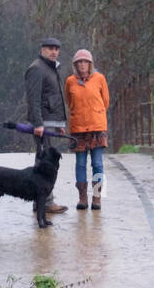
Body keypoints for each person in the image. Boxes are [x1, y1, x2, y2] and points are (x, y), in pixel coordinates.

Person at [24, 37, 68, 214]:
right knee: (45, 163)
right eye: (50, 48)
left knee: (45, 161)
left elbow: (54, 98)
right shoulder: (36, 68)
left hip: (50, 123)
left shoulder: (51, 68)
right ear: (42, 50)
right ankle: (45, 202)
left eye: (56, 49)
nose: (54, 51)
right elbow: (33, 99)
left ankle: (41, 201)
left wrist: (59, 124)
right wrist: (38, 123)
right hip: (43, 124)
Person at [64, 49, 109, 211]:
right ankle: (82, 197)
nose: (82, 64)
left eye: (85, 62)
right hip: (78, 128)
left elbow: (105, 101)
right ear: (75, 65)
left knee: (97, 163)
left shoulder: (99, 79)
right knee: (80, 164)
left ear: (90, 64)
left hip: (97, 127)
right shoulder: (70, 81)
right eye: (79, 62)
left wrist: (94, 113)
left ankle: (97, 197)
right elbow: (69, 102)